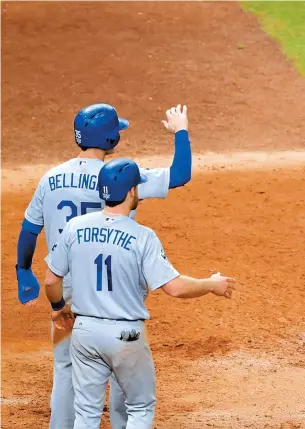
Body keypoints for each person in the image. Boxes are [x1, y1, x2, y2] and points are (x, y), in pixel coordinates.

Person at [15, 102, 192, 429]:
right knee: (125, 365)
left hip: (65, 284)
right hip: (116, 287)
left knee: (67, 368)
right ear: (111, 140)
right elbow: (181, 174)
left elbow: (29, 230)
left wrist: (22, 270)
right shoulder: (126, 176)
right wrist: (180, 129)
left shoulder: (50, 178)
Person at [44, 157, 236, 429]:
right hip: (126, 336)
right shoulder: (142, 236)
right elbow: (175, 287)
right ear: (132, 191)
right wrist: (211, 284)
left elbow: (51, 280)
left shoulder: (75, 227)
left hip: (84, 331)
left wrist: (58, 306)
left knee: (86, 413)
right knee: (140, 407)